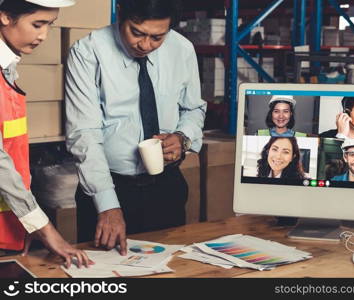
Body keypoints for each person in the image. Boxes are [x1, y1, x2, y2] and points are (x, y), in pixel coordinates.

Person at [65, 0, 206, 255]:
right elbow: (83, 133)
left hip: (166, 188)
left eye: (157, 37)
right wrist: (107, 206)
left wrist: (183, 137)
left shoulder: (182, 49)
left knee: (169, 275)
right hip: (108, 189)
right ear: (121, 14)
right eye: (137, 32)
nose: (145, 45)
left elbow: (193, 108)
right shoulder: (88, 52)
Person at [0, 0, 90, 268]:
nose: (43, 36)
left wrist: (21, 223)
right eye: (37, 24)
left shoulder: (8, 66)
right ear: (4, 15)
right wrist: (44, 228)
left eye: (49, 25)